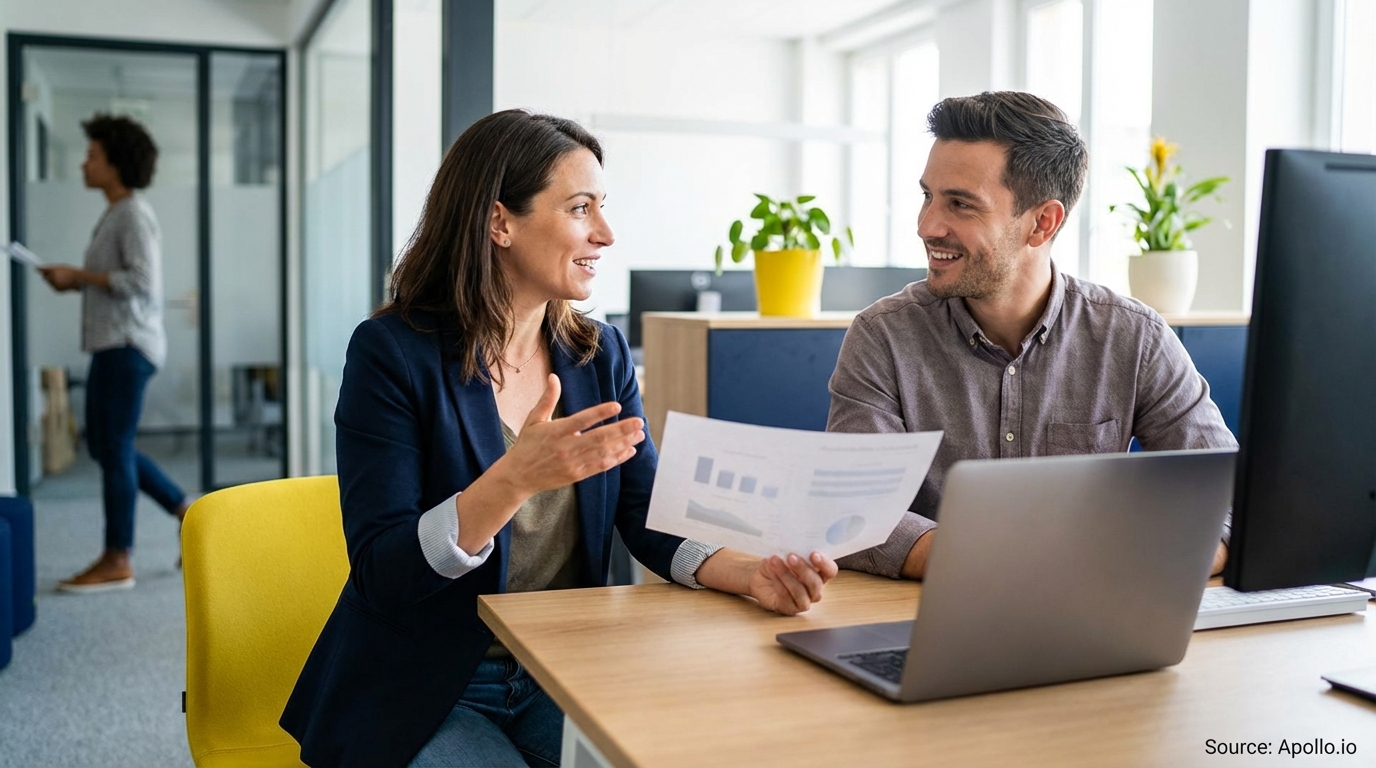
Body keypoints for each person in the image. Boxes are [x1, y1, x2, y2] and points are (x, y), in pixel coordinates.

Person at [280, 110, 838, 768]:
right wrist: (512, 480)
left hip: (564, 668)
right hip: (428, 684)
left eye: (602, 208)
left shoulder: (597, 356)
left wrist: (749, 574)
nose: (605, 234)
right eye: (580, 209)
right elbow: (383, 570)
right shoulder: (392, 355)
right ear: (500, 223)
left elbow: (645, 512)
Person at [827, 91, 1237, 582]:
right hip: (923, 617)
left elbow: (1227, 502)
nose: (927, 225)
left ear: (1042, 223)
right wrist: (1013, 564)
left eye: (960, 204)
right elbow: (852, 511)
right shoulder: (883, 337)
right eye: (927, 196)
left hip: (1091, 617)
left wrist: (1152, 558)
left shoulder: (1135, 338)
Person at [39, 114, 190, 593]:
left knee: (114, 446)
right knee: (108, 446)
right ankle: (184, 510)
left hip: (127, 345)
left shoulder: (132, 214)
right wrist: (74, 282)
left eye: (93, 156)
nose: (84, 163)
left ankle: (117, 557)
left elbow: (144, 285)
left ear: (116, 163)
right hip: (114, 343)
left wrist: (77, 277)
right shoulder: (117, 212)